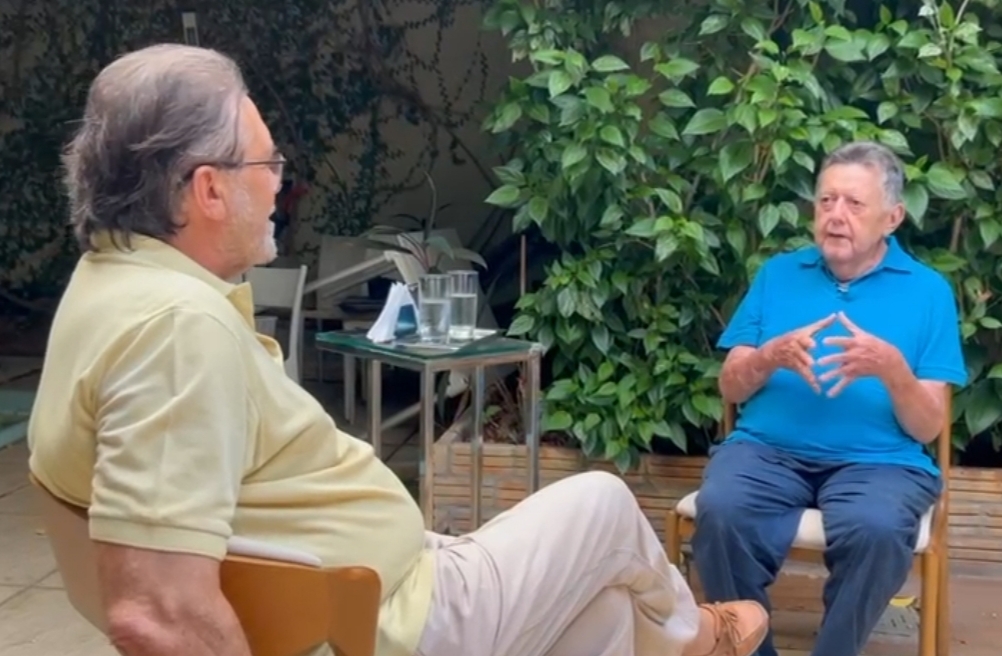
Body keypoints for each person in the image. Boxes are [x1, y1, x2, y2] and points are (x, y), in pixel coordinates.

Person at [27, 44, 769, 656]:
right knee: (601, 504)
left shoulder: (109, 281)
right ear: (209, 191)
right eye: (268, 164)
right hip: (398, 625)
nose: (282, 185)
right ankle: (703, 639)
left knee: (605, 618)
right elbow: (157, 613)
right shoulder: (175, 330)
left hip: (393, 582)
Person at [693, 140, 968, 656]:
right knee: (722, 509)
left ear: (892, 217)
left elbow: (929, 426)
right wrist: (768, 356)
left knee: (877, 527)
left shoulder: (928, 291)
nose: (835, 215)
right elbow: (731, 387)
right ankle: (749, 650)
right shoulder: (778, 274)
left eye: (854, 203)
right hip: (766, 452)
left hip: (881, 463)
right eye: (826, 201)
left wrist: (891, 369)